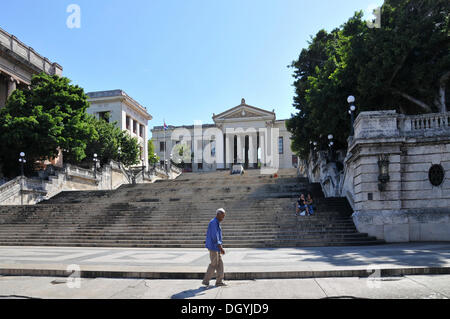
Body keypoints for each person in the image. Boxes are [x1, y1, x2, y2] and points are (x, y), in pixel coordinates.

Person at [202, 208, 227, 287]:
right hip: (214, 247)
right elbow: (214, 236)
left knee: (220, 264)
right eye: (222, 216)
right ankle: (206, 281)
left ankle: (219, 281)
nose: (223, 218)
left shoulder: (217, 222)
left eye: (224, 216)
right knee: (213, 264)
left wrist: (220, 246)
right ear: (218, 214)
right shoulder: (213, 222)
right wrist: (220, 247)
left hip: (216, 247)